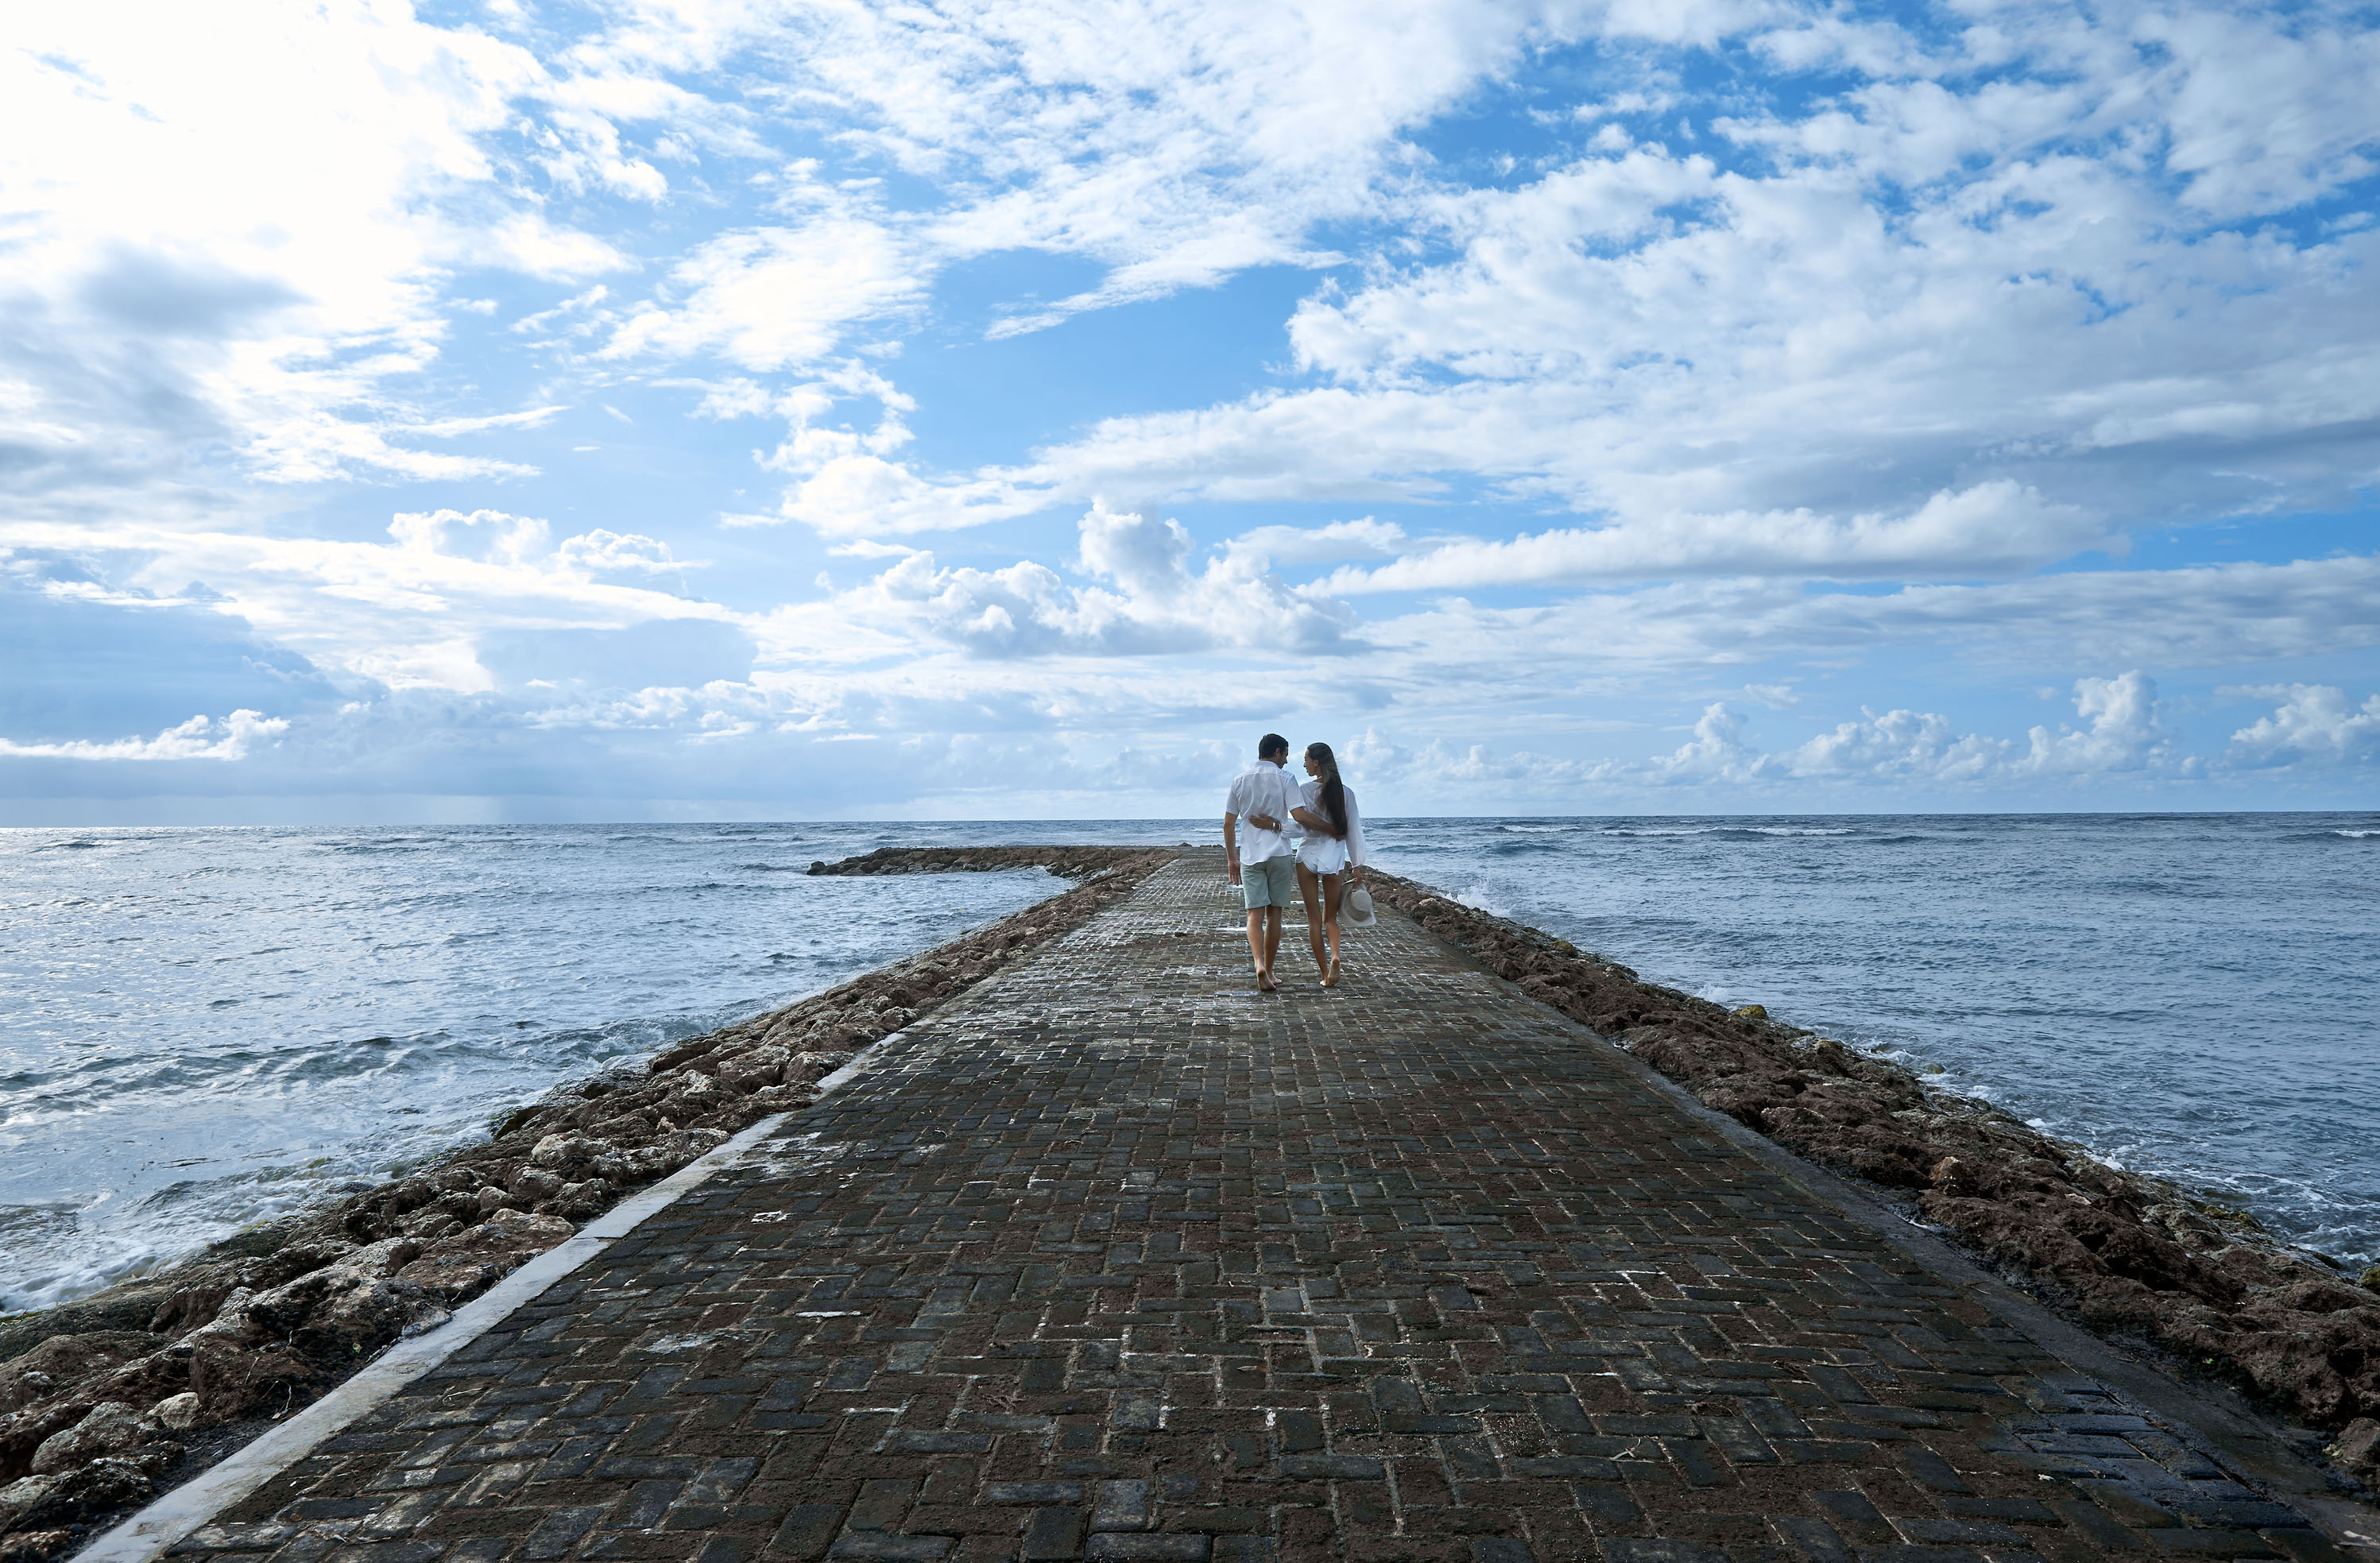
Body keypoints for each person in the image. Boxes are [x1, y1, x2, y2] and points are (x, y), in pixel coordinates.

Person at [1223, 733, 1301, 992]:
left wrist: (1232, 859)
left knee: (1253, 915)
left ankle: (1258, 963)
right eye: (1286, 755)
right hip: (1278, 853)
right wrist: (1277, 825)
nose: (1287, 761)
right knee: (1274, 914)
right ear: (1277, 752)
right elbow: (1299, 820)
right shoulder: (1286, 778)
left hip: (1249, 856)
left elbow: (1228, 823)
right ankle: (1269, 969)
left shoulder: (1239, 780)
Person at [1290, 741, 1364, 987]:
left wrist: (1275, 828)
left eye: (1306, 759)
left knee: (1313, 920)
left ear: (1317, 762)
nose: (1304, 764)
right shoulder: (1346, 792)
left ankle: (1324, 975)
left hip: (1307, 855)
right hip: (1334, 858)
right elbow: (1354, 831)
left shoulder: (1303, 790)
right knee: (1330, 919)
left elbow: (1300, 825)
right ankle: (1335, 956)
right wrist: (1357, 865)